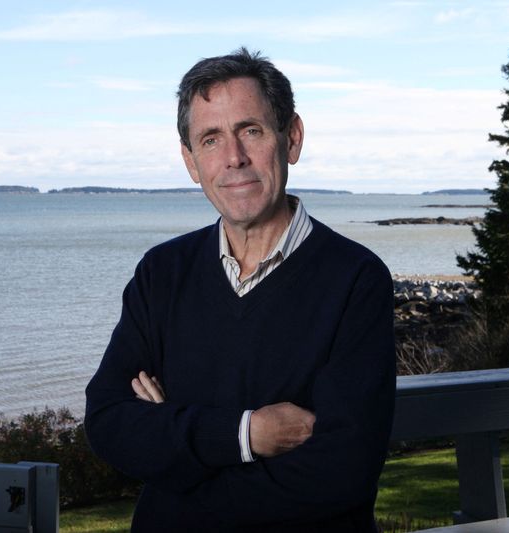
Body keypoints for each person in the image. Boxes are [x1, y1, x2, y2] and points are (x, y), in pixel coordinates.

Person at [85, 47, 396, 532]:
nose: (234, 158)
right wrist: (247, 434)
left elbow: (341, 473)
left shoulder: (355, 278)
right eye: (210, 140)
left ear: (291, 139)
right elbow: (109, 423)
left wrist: (175, 451)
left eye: (250, 130)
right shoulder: (161, 272)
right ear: (190, 161)